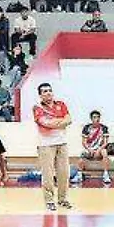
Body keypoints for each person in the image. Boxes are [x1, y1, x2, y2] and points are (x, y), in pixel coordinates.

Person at [32, 83, 73, 211]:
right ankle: (49, 200)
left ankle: (62, 199)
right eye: (44, 91)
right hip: (45, 144)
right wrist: (60, 123)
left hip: (62, 143)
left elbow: (69, 119)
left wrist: (55, 122)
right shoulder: (37, 107)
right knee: (48, 174)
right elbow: (46, 123)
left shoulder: (61, 104)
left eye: (50, 90)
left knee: (64, 173)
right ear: (40, 95)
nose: (48, 93)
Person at [81, 110, 114, 185]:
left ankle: (106, 174)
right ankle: (79, 174)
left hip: (99, 149)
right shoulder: (86, 128)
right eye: (94, 117)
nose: (97, 119)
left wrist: (99, 149)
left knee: (104, 152)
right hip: (90, 149)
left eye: (98, 117)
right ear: (91, 119)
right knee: (82, 154)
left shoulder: (104, 128)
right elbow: (84, 142)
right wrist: (89, 149)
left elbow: (105, 142)